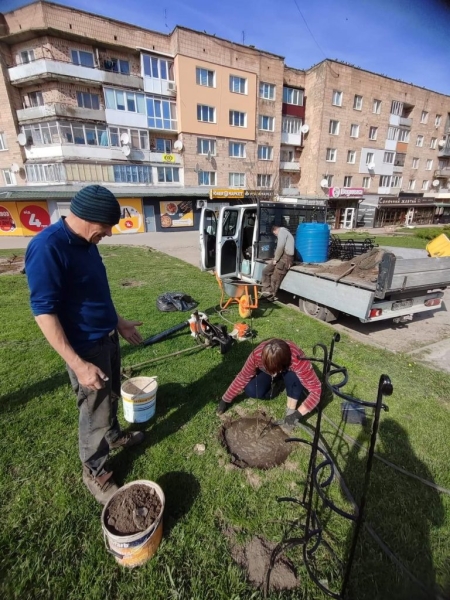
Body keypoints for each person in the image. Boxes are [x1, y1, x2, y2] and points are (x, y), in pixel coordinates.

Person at [25, 185, 145, 504]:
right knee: (94, 411)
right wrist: (78, 365)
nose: (108, 234)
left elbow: (95, 293)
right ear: (91, 220)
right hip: (85, 350)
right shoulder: (48, 247)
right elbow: (43, 311)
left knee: (111, 396)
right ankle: (94, 470)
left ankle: (114, 436)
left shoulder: (87, 244)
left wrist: (118, 322)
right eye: (106, 228)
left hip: (106, 338)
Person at [216, 338, 321, 424]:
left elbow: (316, 390)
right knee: (251, 390)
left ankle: (290, 410)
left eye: (276, 371)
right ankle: (277, 384)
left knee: (293, 379)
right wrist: (225, 399)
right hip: (271, 370)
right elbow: (243, 377)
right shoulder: (256, 355)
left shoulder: (298, 359)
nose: (274, 373)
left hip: (290, 372)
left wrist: (296, 414)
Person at [261, 224, 295, 301]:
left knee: (275, 278)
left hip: (286, 258)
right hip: (281, 257)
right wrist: (275, 259)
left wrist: (275, 259)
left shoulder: (282, 232)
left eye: (274, 234)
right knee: (265, 271)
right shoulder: (284, 233)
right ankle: (266, 291)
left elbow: (280, 247)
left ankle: (270, 297)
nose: (275, 235)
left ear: (275, 230)